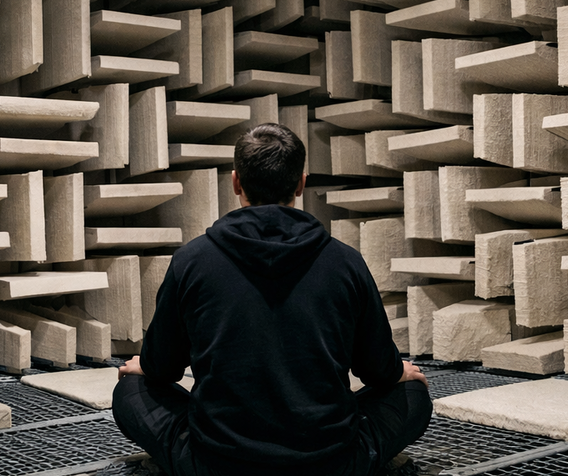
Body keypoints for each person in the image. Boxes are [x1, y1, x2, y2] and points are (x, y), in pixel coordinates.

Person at [112, 122, 431, 476]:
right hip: (331, 464)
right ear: (300, 184)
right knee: (414, 396)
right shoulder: (345, 261)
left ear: (235, 182)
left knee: (131, 390)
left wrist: (145, 368)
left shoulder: (192, 259)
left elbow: (163, 369)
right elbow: (377, 371)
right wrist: (398, 372)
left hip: (213, 465)